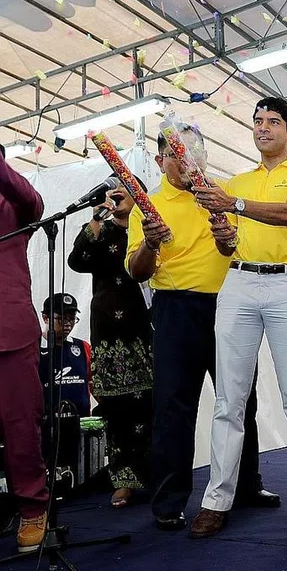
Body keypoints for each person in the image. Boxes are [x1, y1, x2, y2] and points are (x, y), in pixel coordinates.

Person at [191, 97, 287, 537]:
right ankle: (216, 499)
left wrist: (233, 205)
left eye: (273, 121)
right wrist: (223, 234)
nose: (263, 127)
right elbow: (227, 246)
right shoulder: (238, 180)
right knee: (228, 400)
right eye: (257, 121)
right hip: (237, 282)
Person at [126, 126, 279, 533]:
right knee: (173, 407)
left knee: (240, 400)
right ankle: (169, 500)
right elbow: (137, 271)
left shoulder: (221, 194)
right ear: (160, 161)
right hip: (175, 310)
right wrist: (150, 243)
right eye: (176, 155)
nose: (186, 162)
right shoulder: (148, 205)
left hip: (231, 304)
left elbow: (237, 248)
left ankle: (246, 485)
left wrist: (228, 238)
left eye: (194, 153)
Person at [68, 179, 153, 508]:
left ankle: (157, 474)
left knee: (151, 406)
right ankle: (124, 480)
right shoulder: (101, 232)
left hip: (145, 330)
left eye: (122, 191)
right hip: (109, 333)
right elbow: (77, 260)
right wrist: (96, 217)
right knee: (116, 411)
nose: (115, 196)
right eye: (111, 192)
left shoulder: (149, 229)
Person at [0, 143, 50, 553]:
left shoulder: (14, 204)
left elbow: (32, 200)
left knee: (20, 425)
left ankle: (34, 507)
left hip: (10, 330)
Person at [38, 294, 92, 417]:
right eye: (62, 319)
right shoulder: (34, 349)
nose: (68, 324)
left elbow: (94, 383)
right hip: (46, 423)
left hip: (81, 422)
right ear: (45, 318)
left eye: (72, 319)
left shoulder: (83, 347)